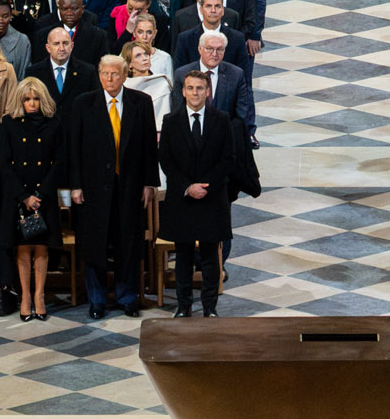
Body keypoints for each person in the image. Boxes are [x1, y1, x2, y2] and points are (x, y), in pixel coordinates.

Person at [158, 65, 259, 317]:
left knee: (210, 255)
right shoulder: (170, 121)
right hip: (182, 198)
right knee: (182, 255)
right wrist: (187, 187)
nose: (195, 93)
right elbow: (166, 159)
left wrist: (205, 186)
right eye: (190, 88)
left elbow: (228, 158)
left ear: (208, 92)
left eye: (199, 88)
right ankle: (183, 306)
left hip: (212, 198)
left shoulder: (221, 120)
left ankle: (209, 307)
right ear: (183, 91)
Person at [61, 51, 156, 318]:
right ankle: (97, 299)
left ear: (125, 75)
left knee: (128, 243)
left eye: (115, 73)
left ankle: (128, 297)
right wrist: (76, 185)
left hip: (130, 187)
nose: (110, 78)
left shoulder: (142, 102)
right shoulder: (83, 103)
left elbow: (149, 147)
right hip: (92, 189)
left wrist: (150, 183)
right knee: (95, 244)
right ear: (99, 75)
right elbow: (74, 148)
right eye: (105, 73)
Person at [1, 74, 62, 322]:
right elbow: (4, 163)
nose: (32, 103)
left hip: (44, 195)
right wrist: (24, 196)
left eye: (36, 98)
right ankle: (25, 296)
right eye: (27, 99)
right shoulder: (9, 123)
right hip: (19, 196)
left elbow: (59, 161)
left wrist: (40, 194)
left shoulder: (54, 123)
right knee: (23, 248)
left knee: (42, 248)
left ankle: (40, 296)